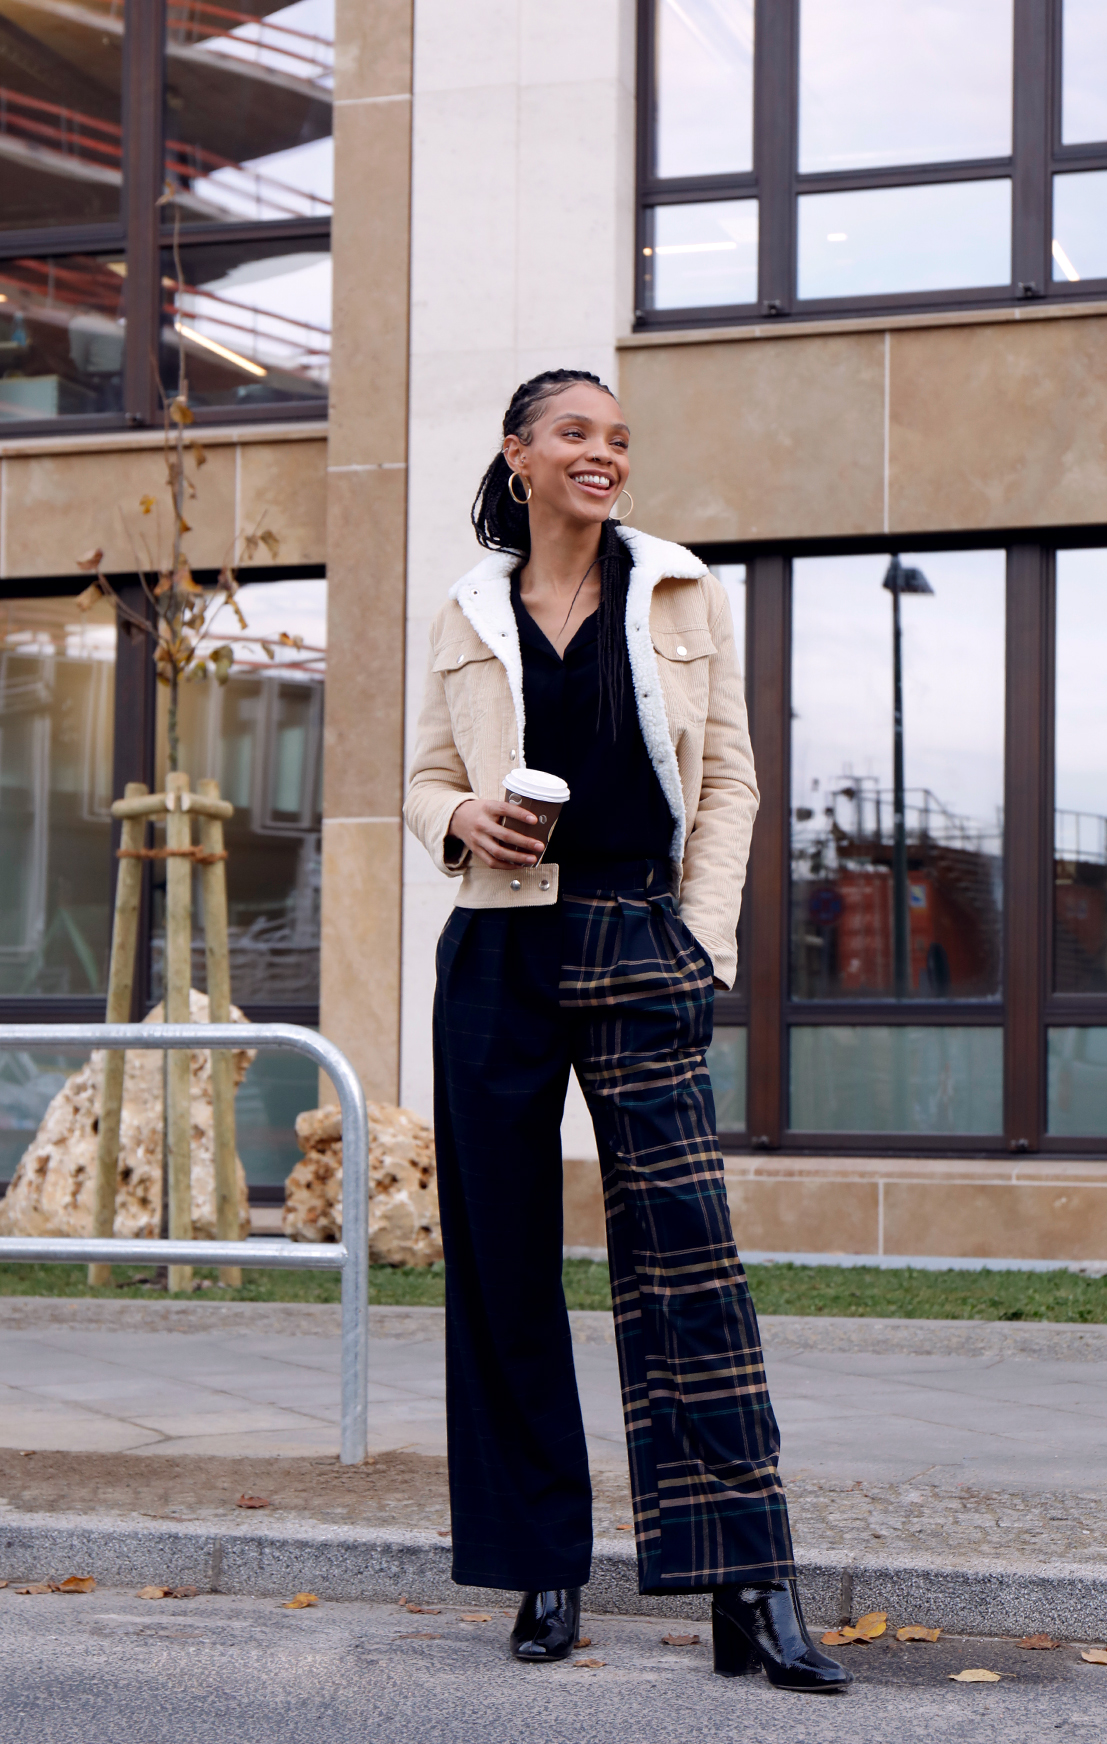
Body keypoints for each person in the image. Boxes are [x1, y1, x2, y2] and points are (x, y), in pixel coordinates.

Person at [405, 368, 850, 1694]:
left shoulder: (678, 591)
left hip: (637, 937)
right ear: (520, 455)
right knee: (502, 1262)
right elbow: (425, 774)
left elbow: (731, 781)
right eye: (577, 435)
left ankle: (747, 1582)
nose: (604, 455)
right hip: (498, 947)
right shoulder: (467, 609)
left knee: (686, 1265)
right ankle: (540, 1565)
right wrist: (458, 819)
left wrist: (699, 938)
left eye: (618, 439)